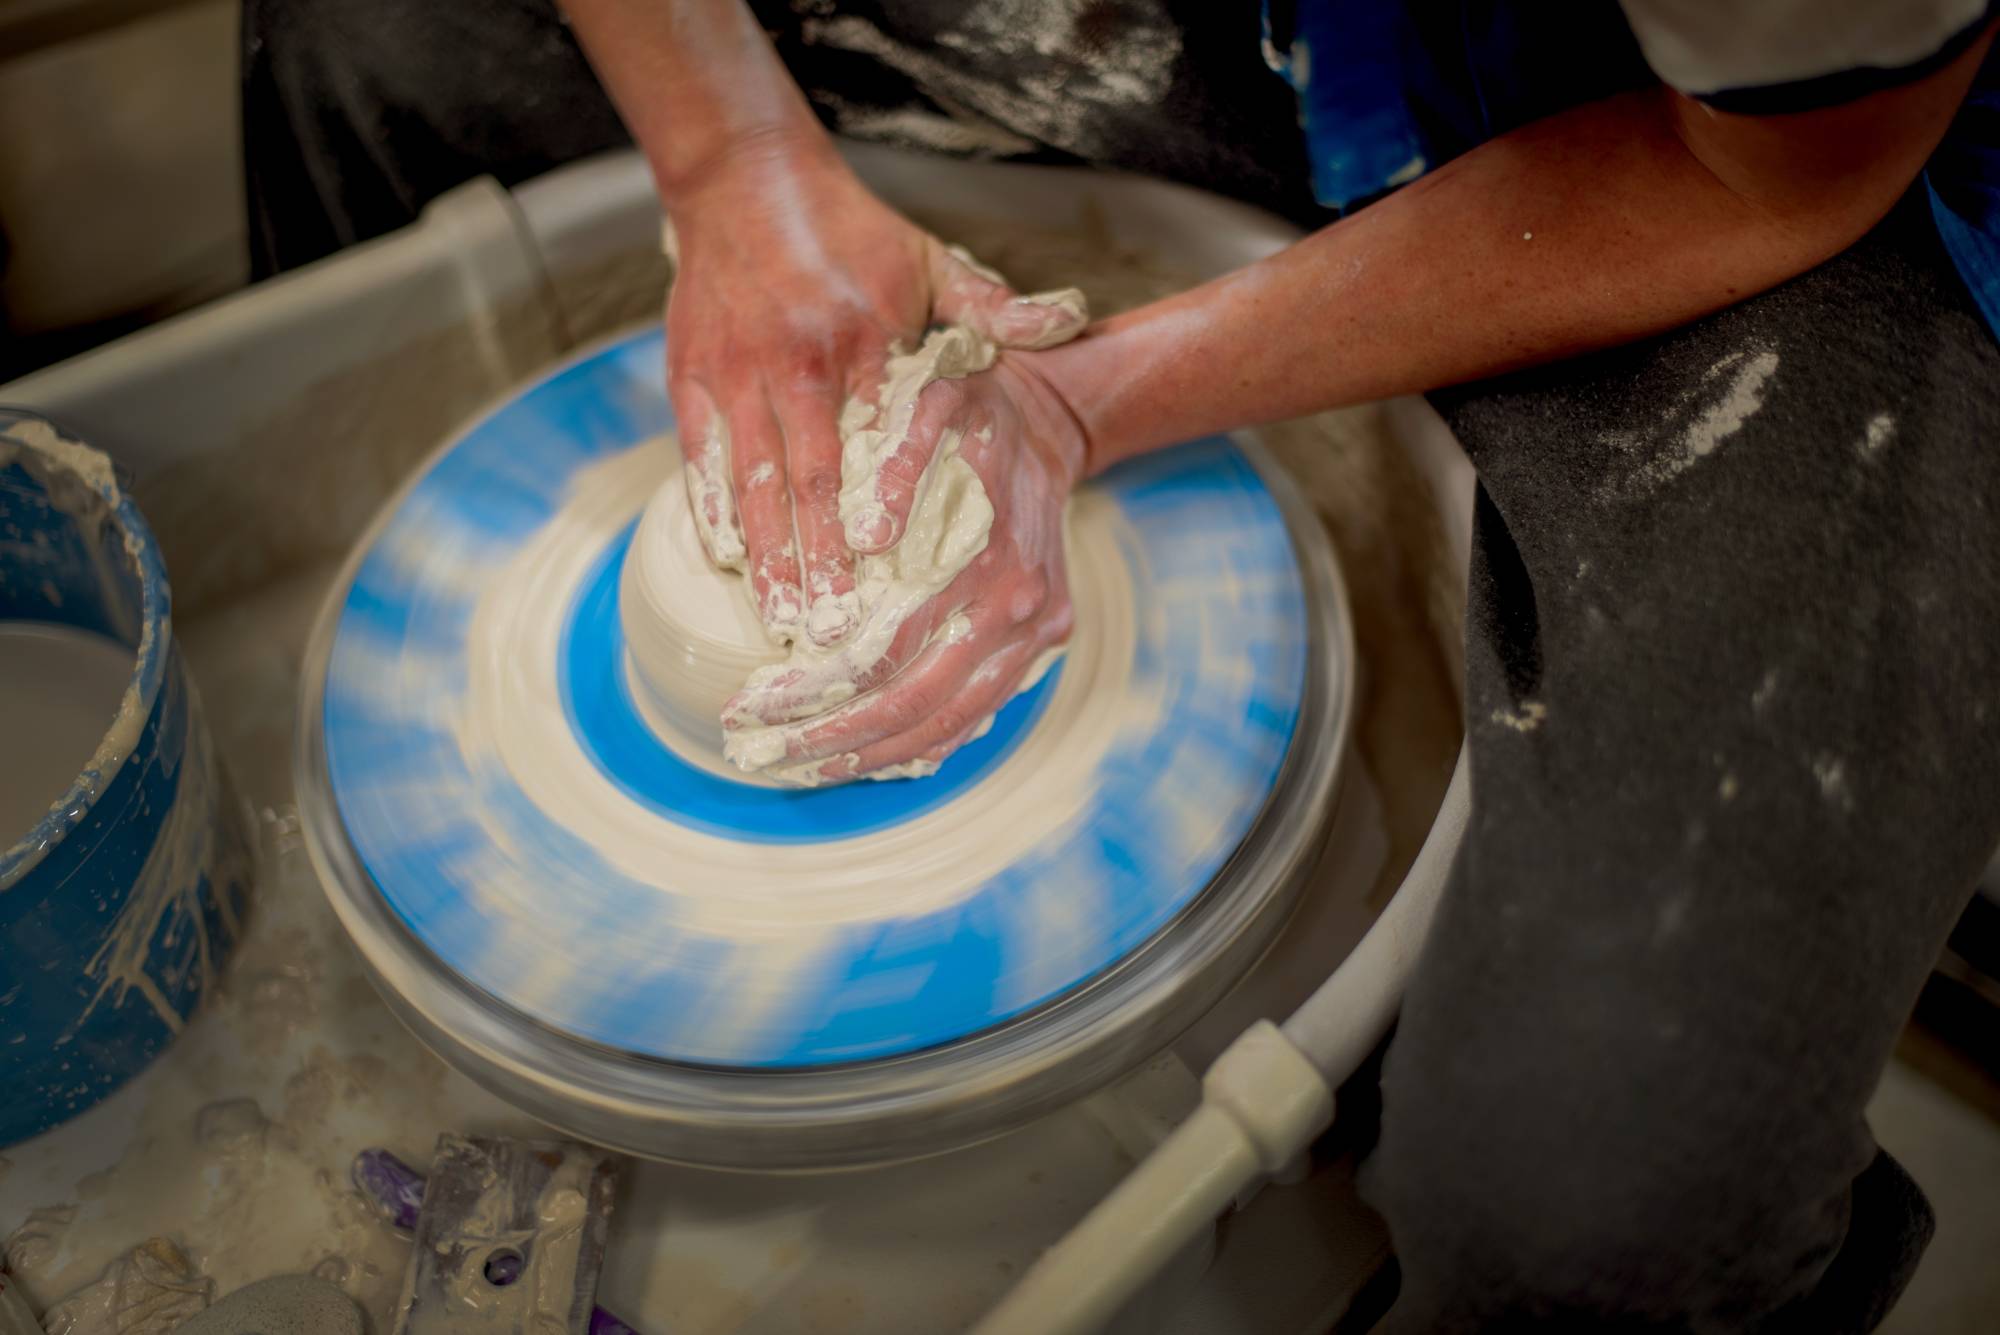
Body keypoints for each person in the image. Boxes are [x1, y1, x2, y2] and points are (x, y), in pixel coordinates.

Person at [243, 2, 2000, 1328]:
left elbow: (1762, 169)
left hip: (1751, 165)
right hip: (1277, 29)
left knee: (1593, 1197)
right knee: (382, 35)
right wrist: (729, 162)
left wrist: (1086, 397)